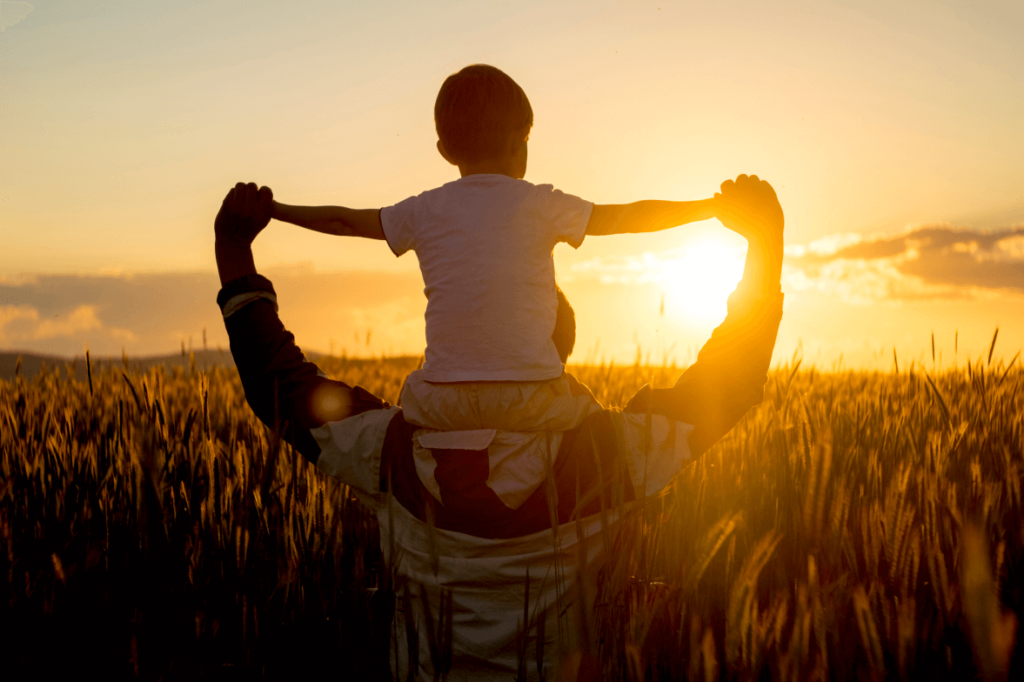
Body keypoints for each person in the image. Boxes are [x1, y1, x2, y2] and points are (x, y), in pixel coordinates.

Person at [214, 173, 784, 680]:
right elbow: (726, 384)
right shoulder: (605, 457)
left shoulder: (392, 454)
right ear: (557, 351)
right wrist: (765, 248)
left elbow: (282, 390)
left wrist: (234, 252)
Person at [265, 64, 742, 441]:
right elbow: (627, 217)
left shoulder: (424, 210)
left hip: (440, 401)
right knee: (602, 431)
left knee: (403, 416)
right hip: (531, 397)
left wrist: (277, 209)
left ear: (444, 149)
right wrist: (709, 207)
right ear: (521, 142)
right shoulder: (540, 202)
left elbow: (344, 220)